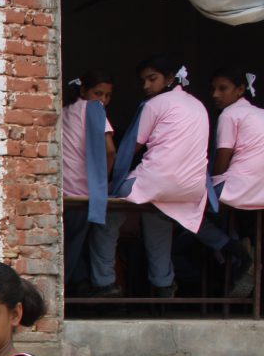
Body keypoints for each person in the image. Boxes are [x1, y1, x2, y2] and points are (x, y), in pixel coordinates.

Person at [101, 56, 210, 297]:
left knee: (107, 215)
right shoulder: (199, 105)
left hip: (156, 182)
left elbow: (130, 148)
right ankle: (163, 284)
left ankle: (104, 282)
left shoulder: (154, 104)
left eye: (152, 79)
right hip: (192, 188)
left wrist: (113, 186)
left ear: (170, 78)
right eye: (144, 81)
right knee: (158, 219)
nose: (146, 86)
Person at [59, 70, 123, 296]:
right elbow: (110, 151)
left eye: (107, 96)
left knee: (66, 246)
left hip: (62, 191)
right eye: (98, 93)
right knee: (74, 247)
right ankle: (68, 292)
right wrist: (102, 183)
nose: (103, 101)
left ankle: (80, 283)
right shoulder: (93, 110)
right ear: (84, 91)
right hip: (83, 192)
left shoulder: (64, 112)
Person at [210, 66, 262, 297]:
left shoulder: (229, 115)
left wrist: (211, 184)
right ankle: (245, 255)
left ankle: (234, 250)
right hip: (260, 191)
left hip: (238, 185)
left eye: (223, 89)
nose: (215, 94)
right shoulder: (260, 113)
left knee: (183, 208)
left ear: (240, 90)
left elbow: (223, 156)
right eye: (214, 89)